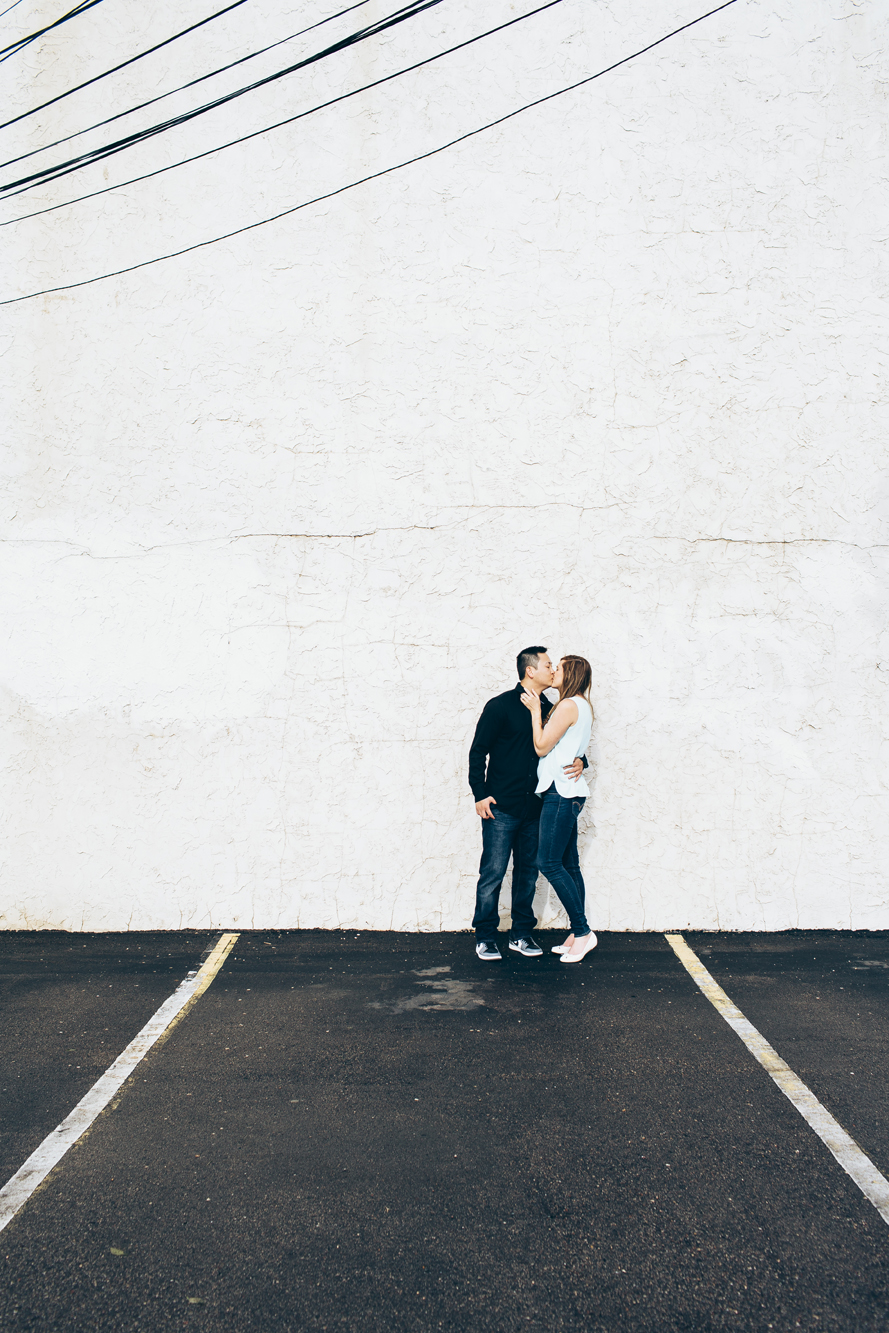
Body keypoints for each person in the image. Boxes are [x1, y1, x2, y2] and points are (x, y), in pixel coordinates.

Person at [468, 647, 586, 961]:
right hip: (501, 806)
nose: (553, 670)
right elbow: (478, 752)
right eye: (548, 665)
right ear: (530, 671)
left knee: (528, 874)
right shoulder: (500, 706)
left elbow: (563, 744)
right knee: (492, 873)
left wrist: (581, 760)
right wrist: (480, 793)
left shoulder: (550, 708)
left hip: (536, 807)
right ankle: (486, 937)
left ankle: (521, 934)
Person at [521, 655, 597, 964]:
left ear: (572, 674)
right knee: (569, 863)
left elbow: (541, 746)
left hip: (561, 794)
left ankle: (582, 932)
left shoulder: (566, 706)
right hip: (569, 793)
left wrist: (535, 711)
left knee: (548, 862)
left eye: (559, 668)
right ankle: (576, 932)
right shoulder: (580, 704)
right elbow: (570, 749)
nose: (553, 671)